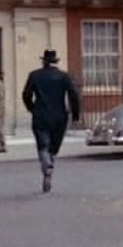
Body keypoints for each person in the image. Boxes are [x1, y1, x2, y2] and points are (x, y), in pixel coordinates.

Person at [22, 49, 81, 193]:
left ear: (44, 61)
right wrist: (75, 115)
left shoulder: (34, 75)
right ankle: (49, 165)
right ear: (56, 61)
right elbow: (74, 95)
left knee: (43, 145)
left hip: (40, 115)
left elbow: (26, 95)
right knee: (54, 147)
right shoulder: (64, 77)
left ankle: (47, 165)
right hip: (59, 116)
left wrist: (32, 108)